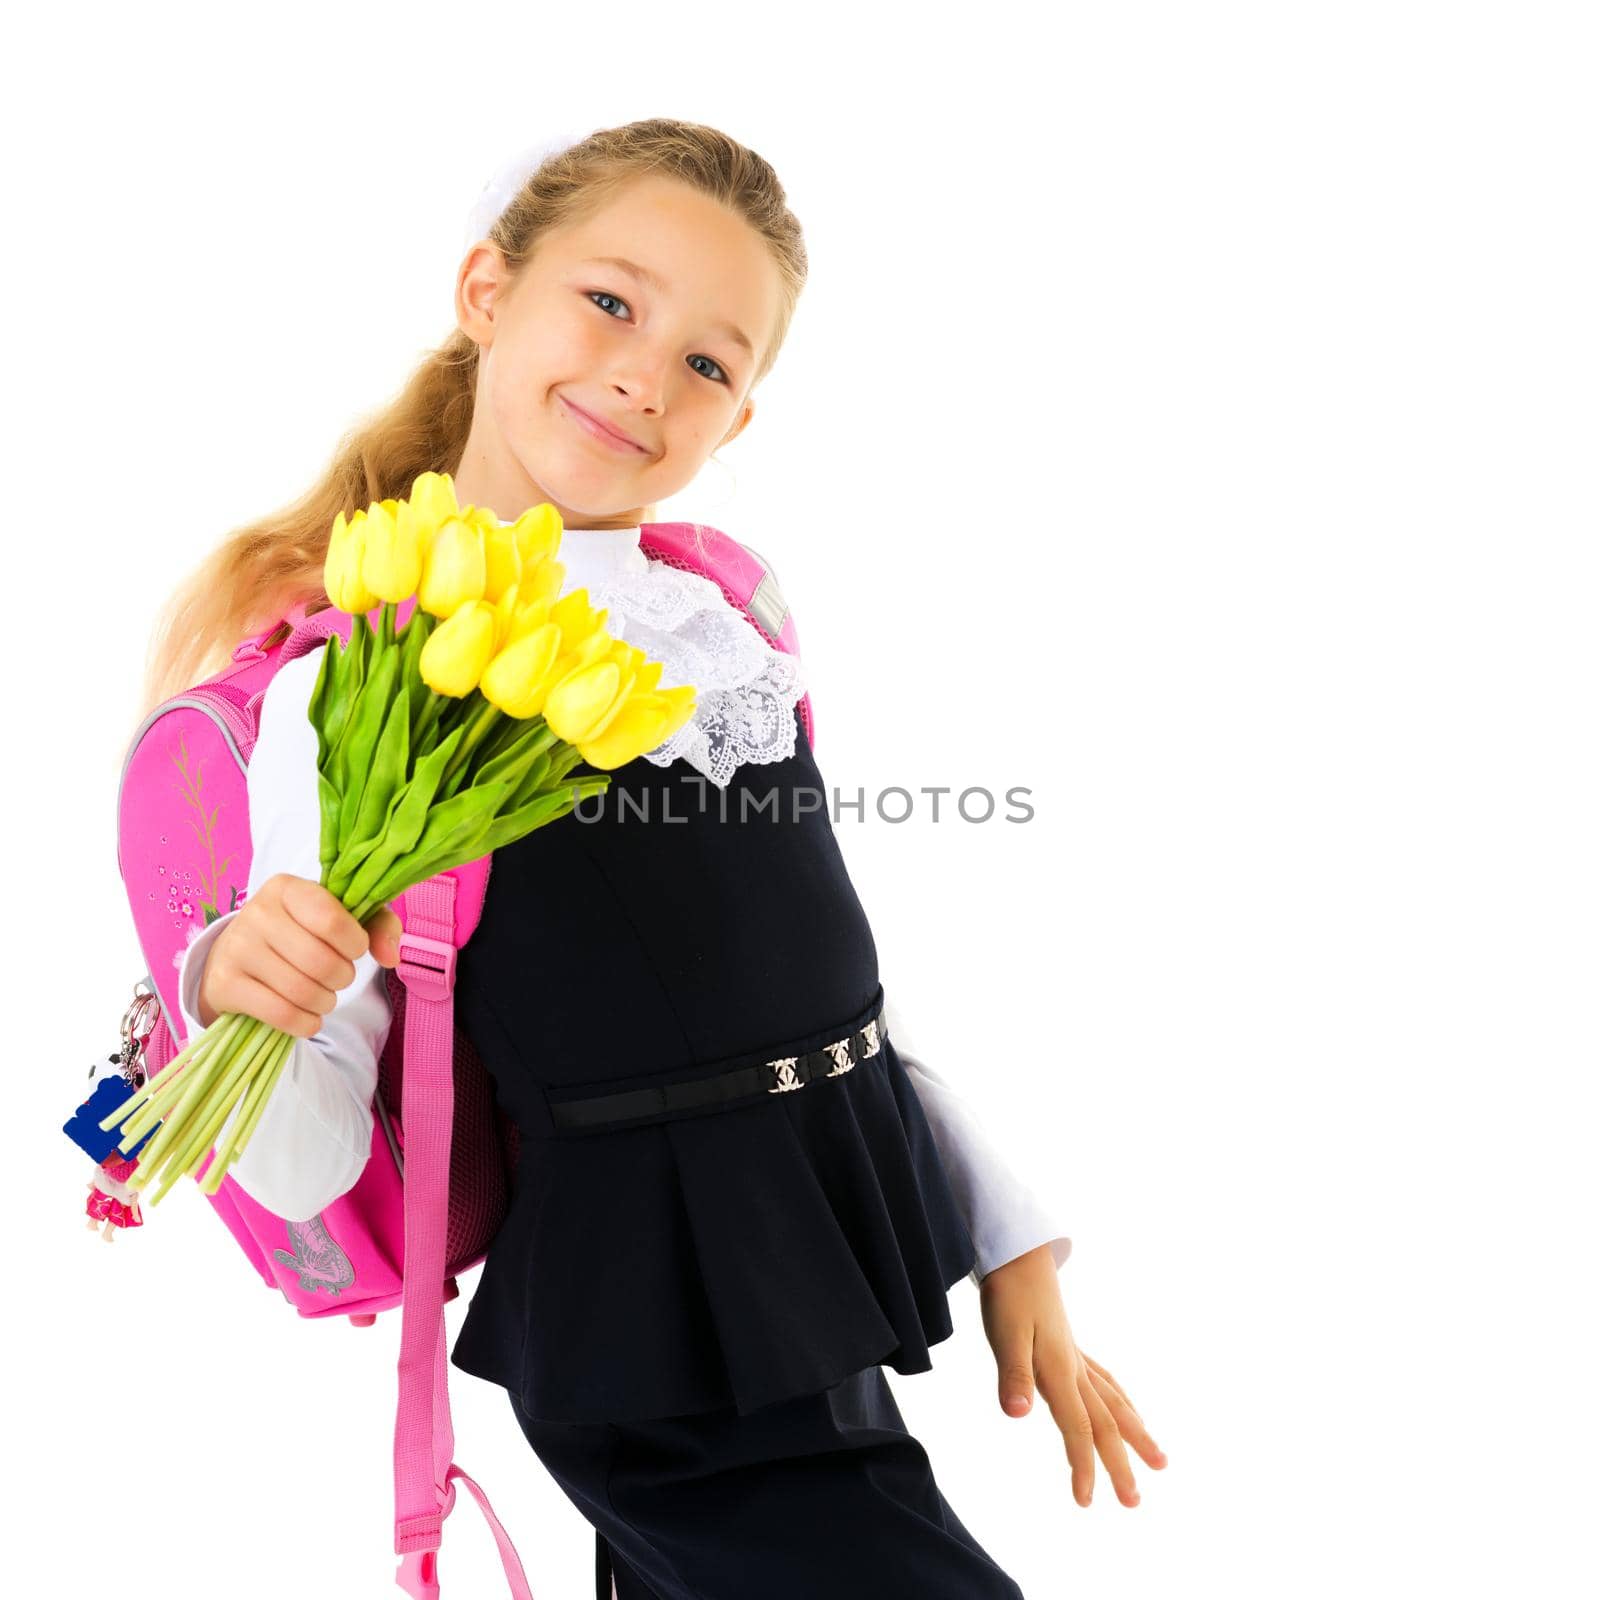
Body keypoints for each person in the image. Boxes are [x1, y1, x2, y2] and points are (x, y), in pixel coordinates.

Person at [146, 117, 1165, 1600]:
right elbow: (312, 1164)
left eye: (711, 360)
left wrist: (1009, 1232)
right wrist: (240, 985)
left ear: (738, 419)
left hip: (816, 1257)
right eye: (612, 303)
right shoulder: (367, 670)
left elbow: (809, 1001)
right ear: (488, 289)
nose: (645, 373)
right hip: (650, 1328)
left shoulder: (726, 611)